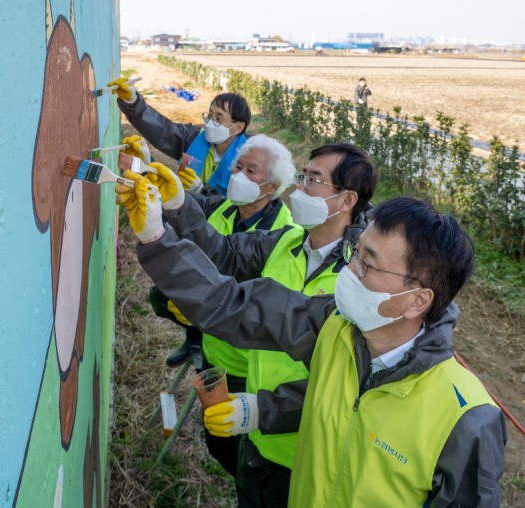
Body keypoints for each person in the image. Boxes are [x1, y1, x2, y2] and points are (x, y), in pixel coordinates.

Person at [116, 176, 507, 507]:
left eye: (367, 263)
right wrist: (156, 238)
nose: (348, 270)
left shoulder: (466, 418)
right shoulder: (335, 329)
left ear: (416, 301)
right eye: (355, 252)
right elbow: (233, 305)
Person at [149, 143, 377, 506]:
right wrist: (178, 205)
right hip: (256, 435)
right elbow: (222, 252)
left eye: (313, 181)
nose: (299, 189)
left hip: (305, 454)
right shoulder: (286, 242)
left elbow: (348, 383)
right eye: (302, 177)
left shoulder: (362, 281)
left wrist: (262, 409)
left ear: (347, 200)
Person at [145, 134, 296, 478]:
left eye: (250, 170)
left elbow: (259, 300)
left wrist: (200, 308)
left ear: (271, 186)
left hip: (248, 364)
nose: (238, 175)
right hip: (214, 348)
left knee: (242, 450)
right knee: (216, 438)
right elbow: (193, 242)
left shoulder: (285, 234)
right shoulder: (223, 208)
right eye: (238, 166)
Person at [108, 76, 251, 196]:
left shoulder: (250, 158)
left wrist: (201, 191)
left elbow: (243, 207)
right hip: (184, 218)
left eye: (218, 118)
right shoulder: (193, 137)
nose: (210, 123)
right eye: (210, 115)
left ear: (238, 127)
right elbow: (162, 130)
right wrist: (132, 102)